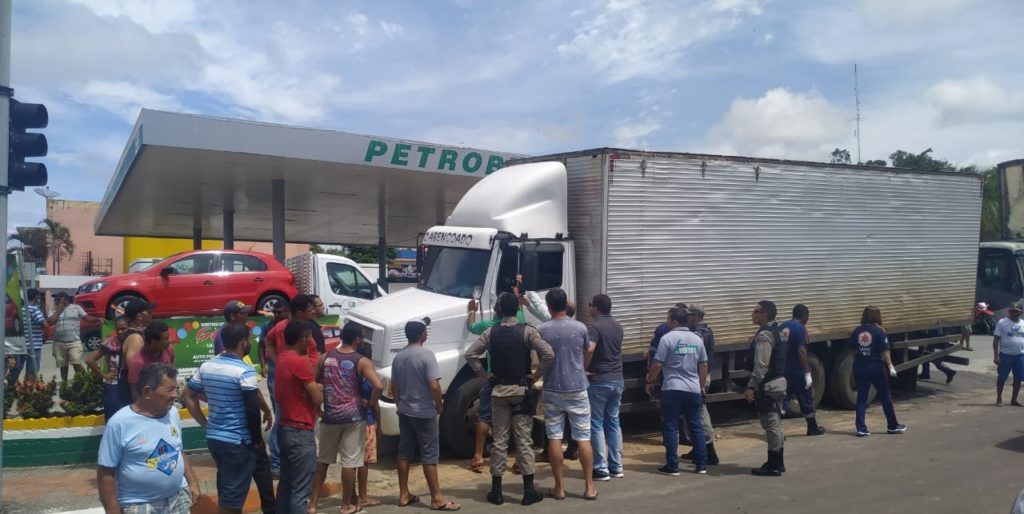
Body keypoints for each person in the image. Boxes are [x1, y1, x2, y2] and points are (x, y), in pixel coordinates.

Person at [465, 292, 553, 506]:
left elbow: (470, 354)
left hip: (498, 392)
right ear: (518, 309)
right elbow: (549, 354)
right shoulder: (527, 332)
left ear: (500, 310)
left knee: (500, 441)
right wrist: (535, 376)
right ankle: (529, 490)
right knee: (524, 440)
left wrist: (485, 375)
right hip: (521, 391)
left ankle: (496, 492)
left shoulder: (490, 332)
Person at [184, 323, 272, 514]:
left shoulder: (208, 366)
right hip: (238, 442)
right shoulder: (244, 371)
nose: (250, 342)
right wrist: (257, 441)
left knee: (227, 491)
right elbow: (251, 410)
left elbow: (188, 394)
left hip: (216, 439)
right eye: (249, 339)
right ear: (243, 342)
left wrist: (205, 423)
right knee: (232, 502)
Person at [97, 363, 201, 514]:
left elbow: (179, 449)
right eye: (169, 390)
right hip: (139, 504)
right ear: (147, 391)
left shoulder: (173, 413)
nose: (175, 394)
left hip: (178, 497)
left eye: (175, 388)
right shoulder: (120, 423)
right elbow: (105, 473)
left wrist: (193, 483)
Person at [309, 322, 384, 514]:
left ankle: (313, 504)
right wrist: (371, 403)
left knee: (323, 461)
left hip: (330, 416)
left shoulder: (325, 358)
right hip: (354, 419)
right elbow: (378, 386)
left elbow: (312, 383)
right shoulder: (362, 361)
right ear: (358, 339)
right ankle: (346, 505)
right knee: (350, 462)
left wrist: (318, 409)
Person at [391, 317, 461, 511]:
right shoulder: (426, 355)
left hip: (405, 411)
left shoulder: (399, 357)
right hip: (424, 412)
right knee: (429, 455)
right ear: (422, 334)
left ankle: (403, 493)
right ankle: (437, 497)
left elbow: (394, 386)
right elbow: (434, 385)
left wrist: (399, 404)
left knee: (404, 452)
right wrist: (439, 405)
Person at [539, 288, 598, 501]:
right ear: (566, 304)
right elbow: (587, 350)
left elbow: (541, 357)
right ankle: (590, 487)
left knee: (554, 436)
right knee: (583, 437)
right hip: (577, 387)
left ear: (548, 306)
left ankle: (559, 488)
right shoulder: (580, 327)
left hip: (552, 387)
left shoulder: (542, 329)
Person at [465, 296, 527, 473]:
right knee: (518, 420)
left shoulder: (488, 327)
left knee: (484, 416)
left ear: (496, 310)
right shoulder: (521, 323)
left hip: (495, 379)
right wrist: (518, 298)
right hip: (517, 380)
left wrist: (471, 311)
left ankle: (478, 456)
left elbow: (471, 327)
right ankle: (518, 461)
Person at [645, 307, 709, 475]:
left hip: (672, 389)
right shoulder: (696, 339)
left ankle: (673, 466)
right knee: (696, 426)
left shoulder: (667, 339)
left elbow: (657, 364)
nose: (667, 322)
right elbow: (703, 365)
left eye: (668, 319)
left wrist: (650, 380)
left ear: (674, 321)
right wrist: (701, 385)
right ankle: (701, 465)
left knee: (671, 427)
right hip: (693, 389)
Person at [274, 321, 324, 514]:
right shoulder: (299, 362)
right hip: (300, 431)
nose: (311, 341)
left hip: (285, 428)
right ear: (303, 339)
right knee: (300, 490)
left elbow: (305, 389)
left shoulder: (283, 358)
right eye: (309, 338)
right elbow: (317, 397)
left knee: (286, 484)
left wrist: (311, 389)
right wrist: (317, 390)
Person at [849, 306, 907, 436]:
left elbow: (852, 350)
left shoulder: (857, 331)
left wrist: (857, 361)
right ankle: (892, 425)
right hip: (876, 368)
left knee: (861, 398)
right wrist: (891, 366)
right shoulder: (879, 331)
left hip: (860, 367)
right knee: (885, 396)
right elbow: (885, 350)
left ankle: (861, 428)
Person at [746, 300, 788, 477]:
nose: (752, 314)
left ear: (764, 314)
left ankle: (774, 465)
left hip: (768, 385)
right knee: (776, 423)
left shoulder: (765, 335)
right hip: (778, 382)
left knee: (771, 424)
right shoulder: (777, 330)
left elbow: (761, 365)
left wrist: (751, 386)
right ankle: (778, 461)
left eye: (755, 311)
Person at [586, 294, 625, 481]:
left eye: (591, 305)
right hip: (618, 378)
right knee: (614, 422)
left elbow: (590, 348)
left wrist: (583, 368)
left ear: (596, 308)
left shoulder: (594, 326)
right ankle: (617, 466)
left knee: (596, 423)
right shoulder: (618, 326)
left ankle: (601, 468)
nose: (589, 308)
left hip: (599, 379)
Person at [679, 304, 720, 465]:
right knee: (693, 415)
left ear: (696, 317)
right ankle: (698, 448)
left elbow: (688, 355)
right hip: (698, 377)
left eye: (688, 315)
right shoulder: (704, 331)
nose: (686, 318)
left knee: (700, 414)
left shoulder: (698, 334)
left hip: (698, 377)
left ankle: (710, 451)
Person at [780, 304, 826, 436]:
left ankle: (776, 432)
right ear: (804, 316)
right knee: (806, 398)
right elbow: (801, 351)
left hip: (783, 369)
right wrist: (807, 372)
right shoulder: (801, 329)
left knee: (783, 399)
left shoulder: (783, 326)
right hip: (797, 370)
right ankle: (812, 428)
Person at [261, 300, 290, 476]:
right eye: (275, 312)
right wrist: (263, 364)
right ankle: (277, 463)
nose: (277, 315)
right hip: (275, 374)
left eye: (281, 312)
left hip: (285, 374)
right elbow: (262, 345)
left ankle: (281, 460)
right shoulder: (269, 327)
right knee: (280, 417)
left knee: (284, 417)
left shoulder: (289, 327)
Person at [85, 315, 132, 421]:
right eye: (118, 328)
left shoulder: (135, 341)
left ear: (130, 328)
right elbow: (89, 360)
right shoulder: (111, 342)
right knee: (113, 419)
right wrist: (104, 375)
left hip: (130, 385)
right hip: (114, 386)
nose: (120, 332)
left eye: (123, 329)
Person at [51, 292, 103, 383]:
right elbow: (50, 321)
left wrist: (97, 319)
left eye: (58, 300)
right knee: (63, 365)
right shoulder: (54, 309)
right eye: (56, 300)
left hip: (74, 341)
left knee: (76, 362)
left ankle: (83, 381)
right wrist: (59, 310)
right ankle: (65, 384)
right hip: (59, 342)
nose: (56, 302)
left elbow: (87, 318)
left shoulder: (76, 308)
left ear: (65, 300)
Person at [127, 322, 175, 401]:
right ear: (154, 342)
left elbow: (172, 374)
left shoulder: (169, 350)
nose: (170, 340)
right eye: (166, 338)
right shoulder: (137, 362)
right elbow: (135, 393)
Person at [11, 288, 47, 383]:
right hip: (34, 345)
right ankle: (30, 393)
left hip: (22, 344)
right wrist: (45, 336)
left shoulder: (20, 309)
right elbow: (45, 324)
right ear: (36, 297)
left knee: (18, 367)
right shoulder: (34, 309)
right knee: (32, 370)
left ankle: (11, 388)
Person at [994, 302, 1024, 407]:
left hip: (1020, 355)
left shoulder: (1023, 324)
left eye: (1017, 312)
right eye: (1012, 311)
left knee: (1018, 379)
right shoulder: (1002, 322)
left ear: (1021, 313)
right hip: (1005, 355)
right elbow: (996, 339)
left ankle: (1014, 400)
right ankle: (999, 399)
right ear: (1009, 311)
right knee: (1002, 378)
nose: (1014, 313)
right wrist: (996, 355)